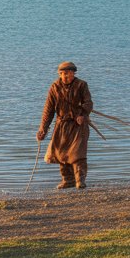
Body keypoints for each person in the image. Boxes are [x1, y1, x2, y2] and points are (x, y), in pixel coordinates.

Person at [37, 61, 94, 189]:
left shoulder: (81, 85)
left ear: (73, 73)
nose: (64, 77)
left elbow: (88, 103)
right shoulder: (54, 87)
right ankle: (68, 181)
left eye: (67, 74)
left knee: (77, 153)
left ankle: (80, 181)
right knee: (62, 154)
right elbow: (48, 110)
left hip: (78, 125)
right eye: (62, 74)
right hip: (61, 125)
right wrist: (43, 129)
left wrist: (82, 115)